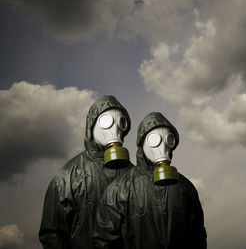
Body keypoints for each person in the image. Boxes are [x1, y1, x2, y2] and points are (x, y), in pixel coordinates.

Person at [94, 112, 207, 249]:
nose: (162, 146)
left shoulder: (185, 187)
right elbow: (104, 240)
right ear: (142, 143)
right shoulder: (120, 190)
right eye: (154, 140)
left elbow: (198, 235)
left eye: (168, 140)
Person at [39, 95, 132, 249]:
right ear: (92, 124)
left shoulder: (134, 177)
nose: (115, 129)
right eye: (106, 121)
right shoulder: (67, 177)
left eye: (121, 122)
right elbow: (52, 234)